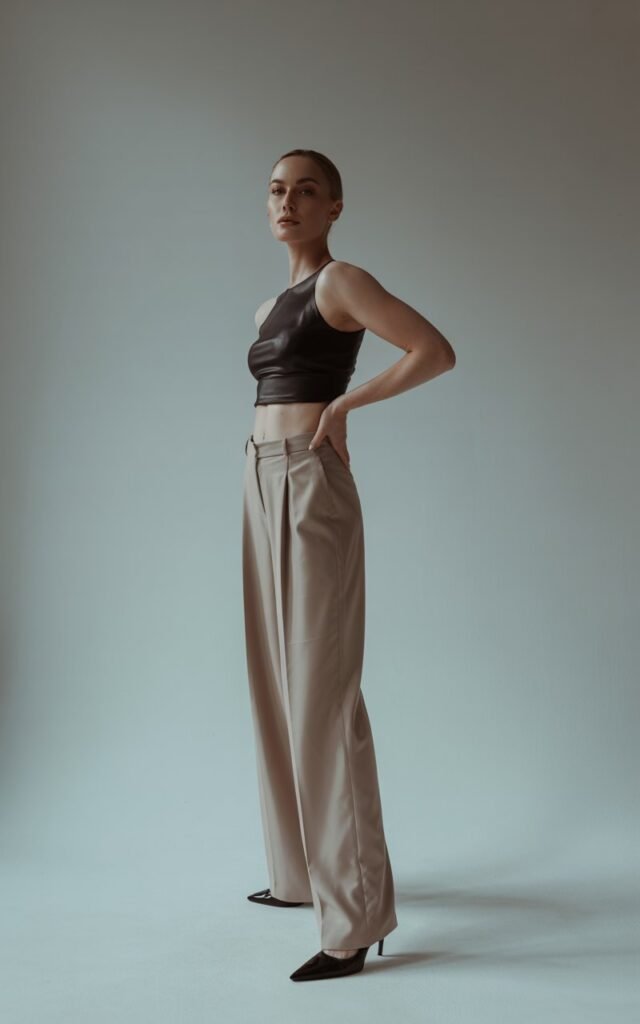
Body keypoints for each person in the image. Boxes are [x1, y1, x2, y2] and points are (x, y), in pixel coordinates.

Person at [242, 148, 456, 982]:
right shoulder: (272, 303)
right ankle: (300, 876)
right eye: (276, 191)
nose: (287, 202)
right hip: (259, 479)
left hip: (307, 478)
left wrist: (343, 406)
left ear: (334, 207)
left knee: (323, 691)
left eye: (305, 191)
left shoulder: (340, 281)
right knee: (273, 678)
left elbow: (431, 350)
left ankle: (356, 914)